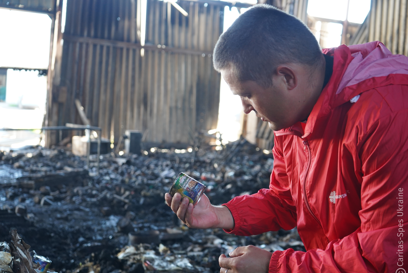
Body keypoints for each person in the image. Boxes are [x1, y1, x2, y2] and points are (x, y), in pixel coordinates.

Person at [165, 4, 408, 272]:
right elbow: (287, 199)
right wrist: (220, 214)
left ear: (286, 77)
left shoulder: (389, 113)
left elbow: (387, 254)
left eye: (247, 94)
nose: (245, 108)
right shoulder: (294, 115)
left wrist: (275, 266)